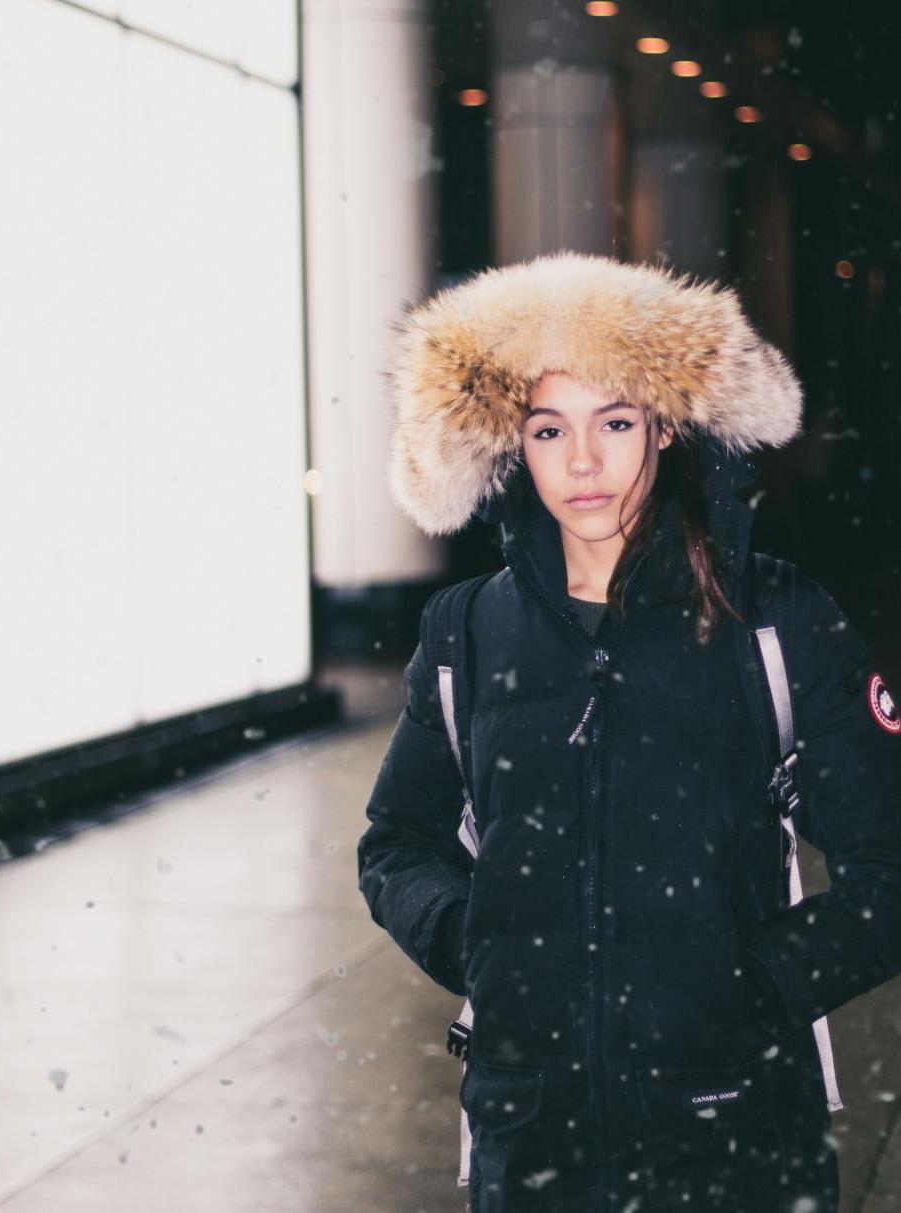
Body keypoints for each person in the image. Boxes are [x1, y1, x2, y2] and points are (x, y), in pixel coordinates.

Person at [356, 251, 901, 1213]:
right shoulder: (467, 632)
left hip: (735, 1140)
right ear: (508, 446)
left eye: (614, 422)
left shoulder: (775, 620)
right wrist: (474, 943)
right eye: (547, 427)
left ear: (665, 424)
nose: (582, 463)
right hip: (530, 1146)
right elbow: (397, 843)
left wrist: (746, 988)